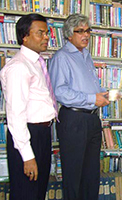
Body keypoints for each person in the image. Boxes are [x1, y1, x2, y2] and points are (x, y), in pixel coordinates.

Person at [49, 13, 109, 200]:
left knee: (91, 173)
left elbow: (87, 85)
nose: (86, 35)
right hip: (74, 120)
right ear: (69, 34)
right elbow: (60, 92)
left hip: (92, 119)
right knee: (73, 174)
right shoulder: (62, 57)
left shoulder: (86, 55)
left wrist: (102, 94)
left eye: (88, 30)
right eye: (80, 31)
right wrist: (93, 98)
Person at [0, 14, 55, 200]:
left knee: (38, 191)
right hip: (27, 136)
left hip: (42, 133)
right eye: (40, 33)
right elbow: (15, 115)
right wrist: (27, 156)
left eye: (46, 33)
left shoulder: (37, 63)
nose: (46, 37)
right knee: (26, 193)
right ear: (25, 36)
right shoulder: (19, 67)